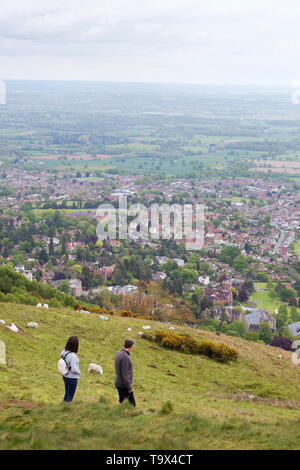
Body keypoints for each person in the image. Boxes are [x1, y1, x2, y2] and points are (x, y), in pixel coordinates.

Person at [114, 338, 136, 407]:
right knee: (132, 405)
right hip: (124, 385)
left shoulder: (119, 352)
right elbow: (125, 374)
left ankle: (122, 415)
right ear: (131, 346)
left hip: (119, 382)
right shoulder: (125, 357)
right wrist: (129, 388)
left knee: (122, 403)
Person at [61, 336, 81, 402]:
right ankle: (67, 408)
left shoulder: (64, 352)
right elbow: (74, 369)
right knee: (70, 396)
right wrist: (79, 372)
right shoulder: (73, 356)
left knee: (67, 394)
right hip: (72, 378)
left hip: (65, 375)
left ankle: (63, 406)